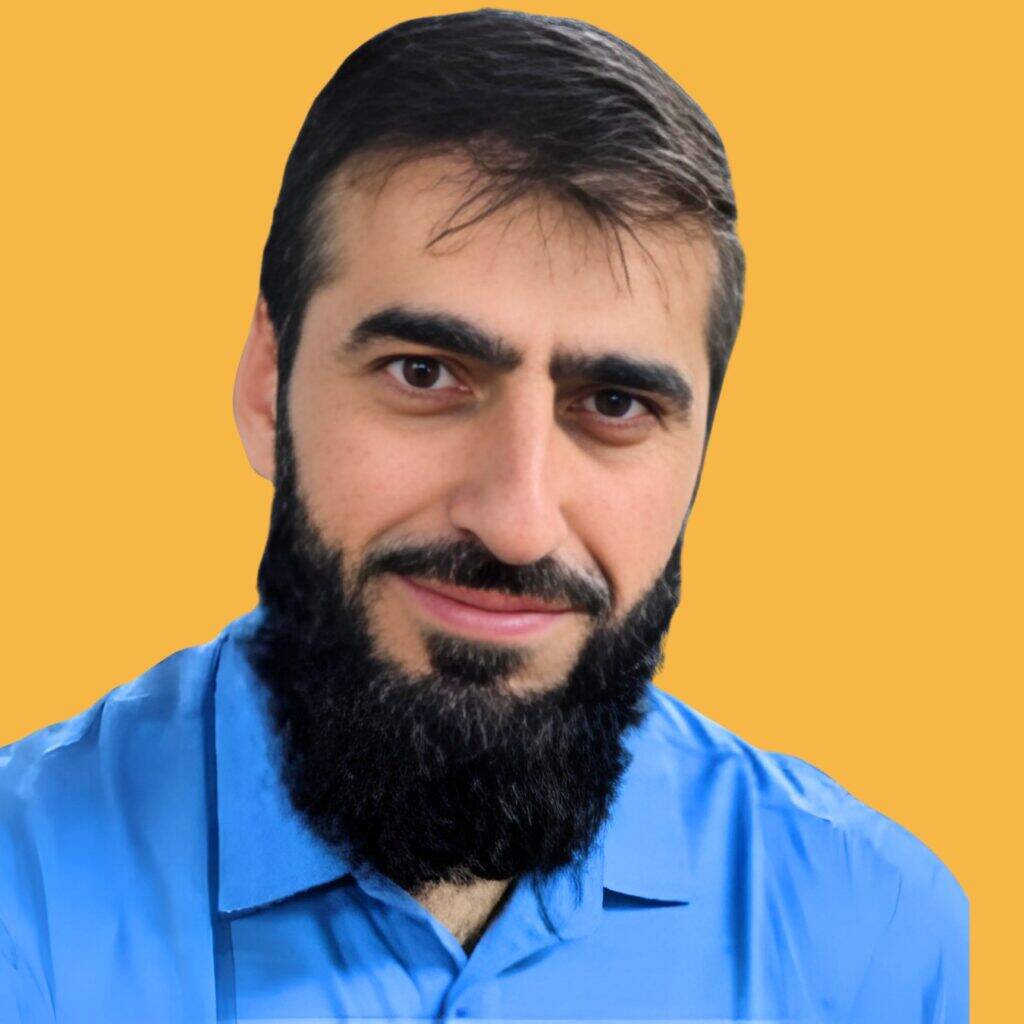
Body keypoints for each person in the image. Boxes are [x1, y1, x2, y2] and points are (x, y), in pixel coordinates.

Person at [0, 8, 967, 1023]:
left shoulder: (874, 938)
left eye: (615, 403)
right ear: (267, 385)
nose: (517, 521)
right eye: (423, 373)